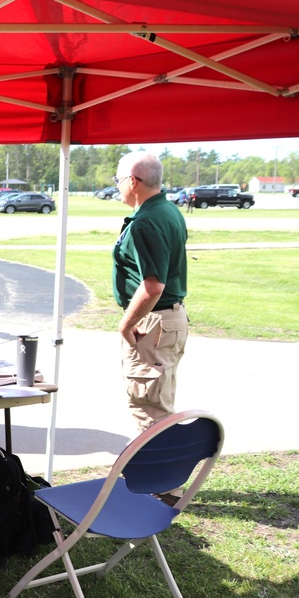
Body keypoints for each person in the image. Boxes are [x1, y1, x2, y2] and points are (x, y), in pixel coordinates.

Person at [112, 151, 189, 435]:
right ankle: (162, 476)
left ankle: (159, 478)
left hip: (152, 324)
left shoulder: (145, 220)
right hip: (169, 320)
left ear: (133, 181)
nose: (117, 185)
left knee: (149, 411)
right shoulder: (168, 210)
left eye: (117, 180)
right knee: (158, 405)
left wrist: (126, 325)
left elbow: (154, 286)